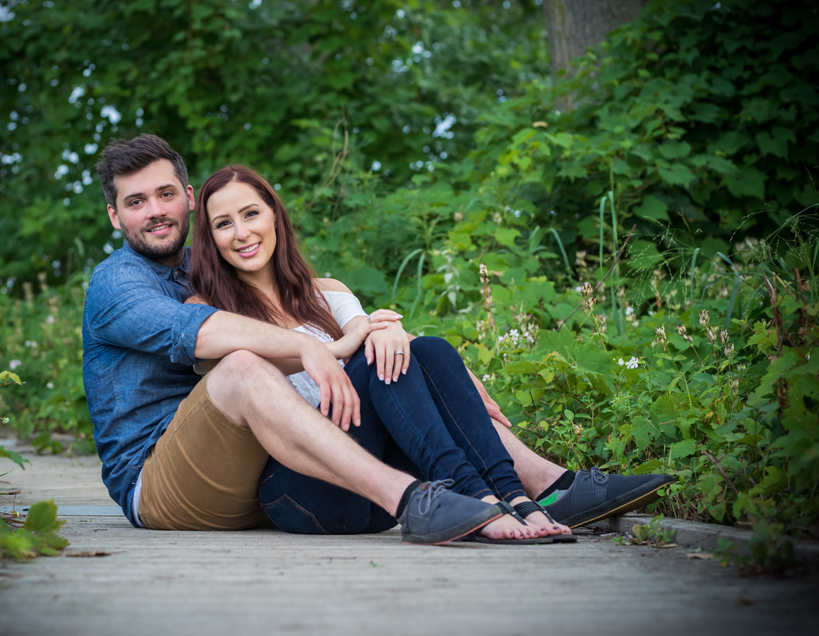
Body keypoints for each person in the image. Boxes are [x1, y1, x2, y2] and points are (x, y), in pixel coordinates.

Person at [82, 134, 672, 542]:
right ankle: (420, 499)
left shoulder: (208, 262)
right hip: (160, 478)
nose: (154, 211)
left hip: (261, 468)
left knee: (419, 349)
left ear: (187, 198)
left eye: (165, 195)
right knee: (242, 364)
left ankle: (544, 486)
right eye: (134, 202)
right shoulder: (120, 282)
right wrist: (319, 346)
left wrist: (395, 337)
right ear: (114, 216)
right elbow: (200, 331)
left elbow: (314, 302)